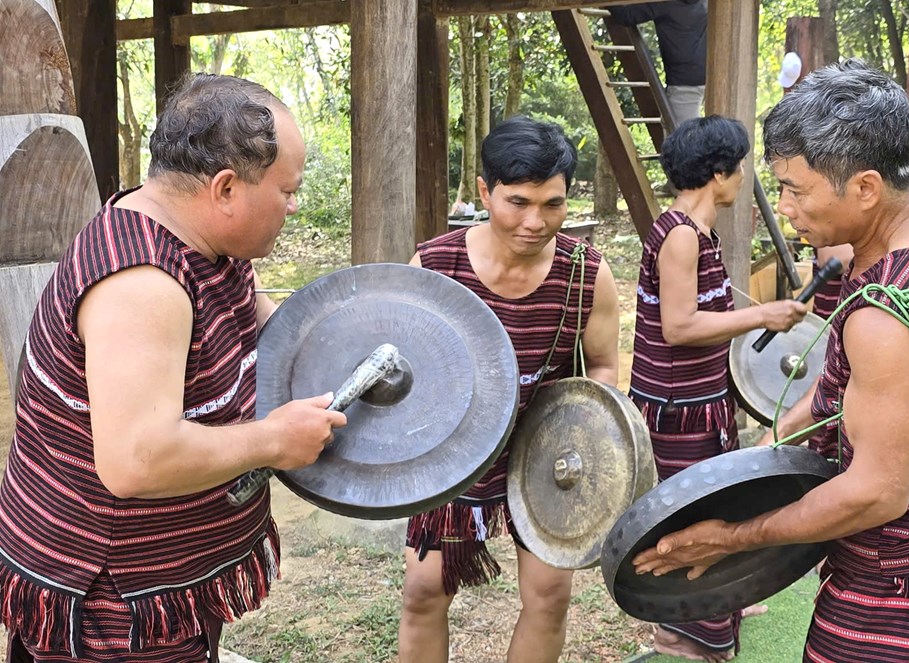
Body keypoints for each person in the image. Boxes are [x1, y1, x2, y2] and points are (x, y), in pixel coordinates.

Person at [633, 60, 909, 662]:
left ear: (865, 187)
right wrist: (773, 442)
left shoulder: (884, 320)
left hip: (905, 589)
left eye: (795, 190)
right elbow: (843, 388)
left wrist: (735, 537)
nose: (784, 207)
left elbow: (876, 494)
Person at [0, 74, 347, 662]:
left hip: (164, 580)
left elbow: (272, 327)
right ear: (226, 188)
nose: (293, 206)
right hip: (113, 606)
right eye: (287, 190)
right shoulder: (141, 284)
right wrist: (273, 440)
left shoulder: (203, 237)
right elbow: (139, 459)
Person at [398, 116, 620, 663]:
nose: (535, 222)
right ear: (485, 192)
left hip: (546, 456)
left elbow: (603, 368)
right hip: (456, 451)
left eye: (553, 204)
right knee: (425, 592)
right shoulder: (435, 266)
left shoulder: (585, 274)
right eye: (518, 202)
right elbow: (406, 373)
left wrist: (580, 440)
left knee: (549, 597)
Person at [628, 115, 806, 662]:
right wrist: (763, 316)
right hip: (676, 408)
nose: (743, 177)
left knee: (714, 501)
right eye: (741, 167)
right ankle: (679, 630)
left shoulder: (699, 231)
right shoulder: (681, 235)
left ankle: (720, 600)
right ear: (719, 173)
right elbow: (678, 327)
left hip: (702, 400)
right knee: (688, 515)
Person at [809, 102, 909, 319]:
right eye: (900, 154)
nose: (908, 163)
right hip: (836, 318)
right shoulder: (842, 195)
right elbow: (833, 258)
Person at [607, 1, 707, 125]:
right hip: (710, 73)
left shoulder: (664, 3)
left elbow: (626, 15)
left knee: (681, 134)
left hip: (685, 82)